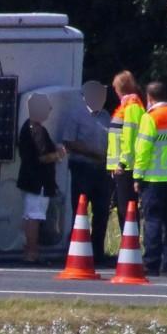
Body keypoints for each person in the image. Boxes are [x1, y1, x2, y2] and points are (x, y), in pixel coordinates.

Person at [134, 81, 167, 276]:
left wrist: (137, 176)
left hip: (154, 179)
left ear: (149, 98)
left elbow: (143, 150)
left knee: (153, 221)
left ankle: (151, 263)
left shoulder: (150, 118)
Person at [61, 80, 111, 262]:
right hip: (82, 167)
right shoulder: (76, 115)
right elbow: (68, 141)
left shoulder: (106, 116)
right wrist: (92, 152)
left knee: (102, 210)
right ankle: (77, 249)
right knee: (80, 210)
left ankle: (97, 251)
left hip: (102, 169)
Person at [17, 93, 66, 264]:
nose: (49, 110)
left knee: (31, 214)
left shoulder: (31, 127)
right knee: (34, 215)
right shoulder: (35, 130)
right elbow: (43, 156)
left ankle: (30, 251)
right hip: (38, 180)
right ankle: (32, 252)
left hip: (31, 179)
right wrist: (58, 154)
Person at [107, 70, 145, 236]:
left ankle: (130, 247)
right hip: (122, 167)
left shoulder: (131, 108)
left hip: (126, 168)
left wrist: (122, 162)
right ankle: (128, 247)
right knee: (124, 208)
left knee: (126, 209)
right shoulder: (128, 106)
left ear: (119, 88)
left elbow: (130, 140)